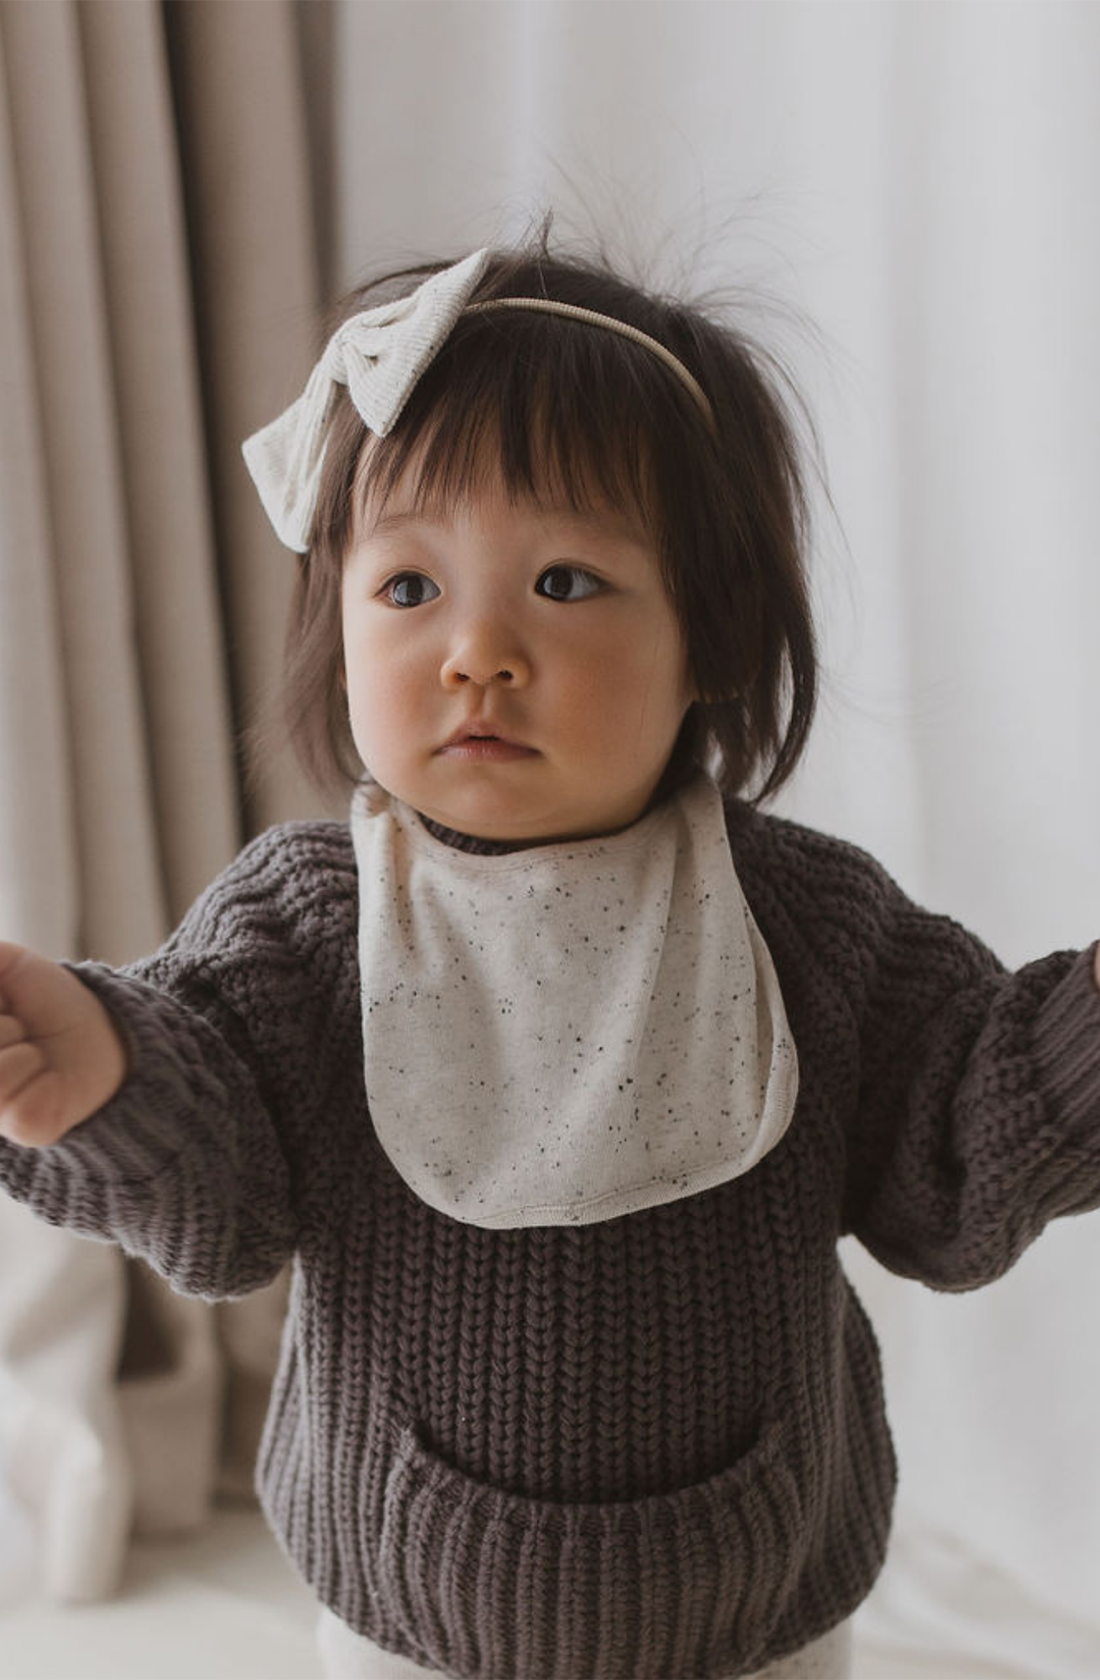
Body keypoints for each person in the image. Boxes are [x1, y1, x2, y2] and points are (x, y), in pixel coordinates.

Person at [0, 232, 1098, 1680]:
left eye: (567, 581)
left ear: (711, 637)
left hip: (758, 1607)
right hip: (408, 1606)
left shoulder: (806, 924)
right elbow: (224, 1195)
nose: (478, 651)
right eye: (408, 588)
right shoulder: (307, 922)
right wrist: (107, 1068)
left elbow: (956, 1157)